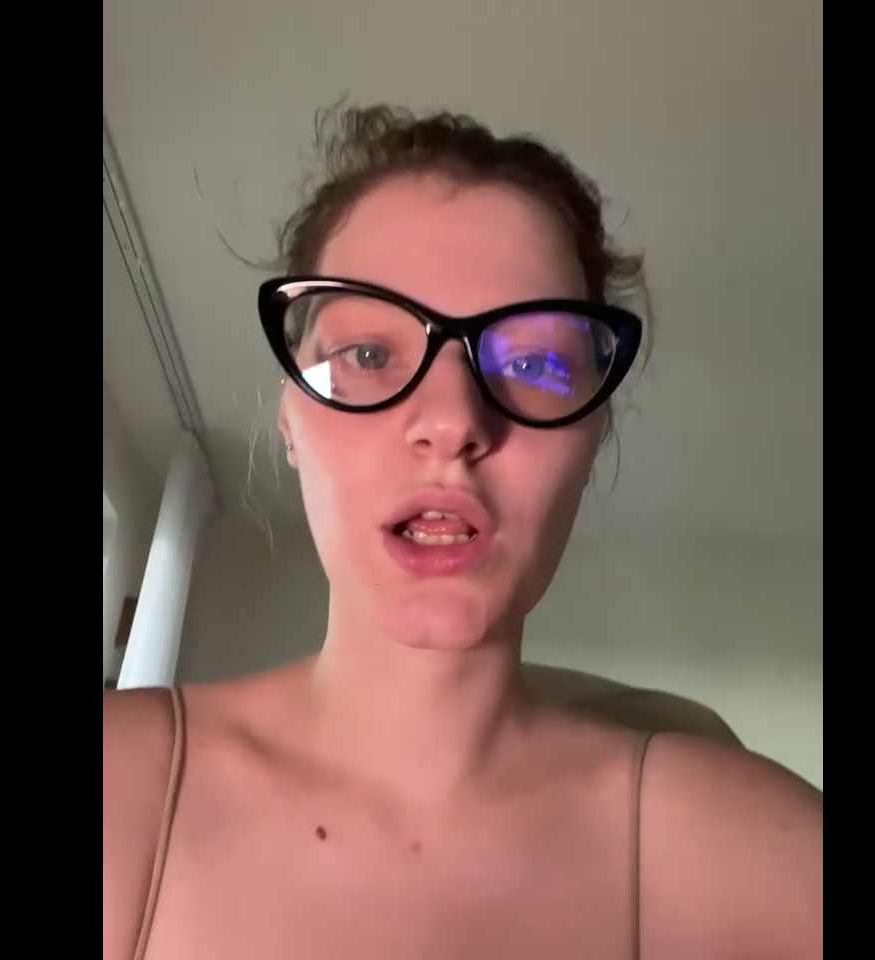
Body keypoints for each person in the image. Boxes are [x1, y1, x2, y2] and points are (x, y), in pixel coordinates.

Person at [103, 104, 822, 960]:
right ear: (291, 421)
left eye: (534, 364)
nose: (452, 422)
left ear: (593, 438)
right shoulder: (123, 791)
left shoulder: (748, 856)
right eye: (370, 355)